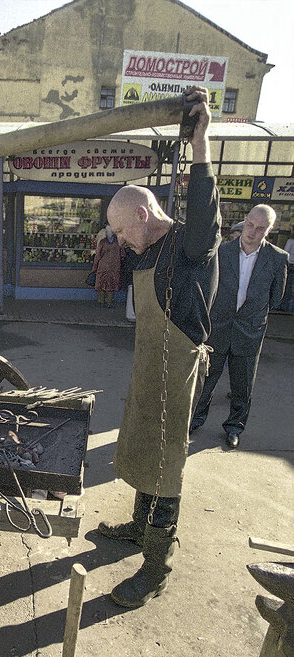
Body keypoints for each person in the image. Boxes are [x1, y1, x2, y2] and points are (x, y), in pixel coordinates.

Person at [98, 86, 221, 609]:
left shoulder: (191, 245)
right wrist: (110, 249)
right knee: (142, 444)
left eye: (123, 232)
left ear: (144, 217)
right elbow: (121, 258)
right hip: (149, 365)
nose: (121, 242)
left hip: (177, 372)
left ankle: (155, 569)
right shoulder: (146, 247)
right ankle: (137, 525)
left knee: (166, 464)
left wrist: (200, 143)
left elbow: (205, 208)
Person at [190, 204, 287, 448]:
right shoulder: (222, 252)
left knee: (242, 385)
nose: (252, 232)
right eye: (250, 225)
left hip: (249, 331)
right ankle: (195, 420)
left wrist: (253, 316)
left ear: (270, 230)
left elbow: (276, 298)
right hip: (218, 328)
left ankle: (234, 427)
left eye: (260, 228)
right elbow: (208, 288)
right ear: (245, 221)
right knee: (206, 380)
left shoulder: (277, 258)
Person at [92, 224, 123, 307]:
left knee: (101, 284)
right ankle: (109, 302)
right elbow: (123, 254)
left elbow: (98, 255)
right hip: (114, 266)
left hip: (103, 266)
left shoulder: (103, 242)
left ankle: (101, 302)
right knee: (112, 285)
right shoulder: (118, 242)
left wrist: (94, 267)